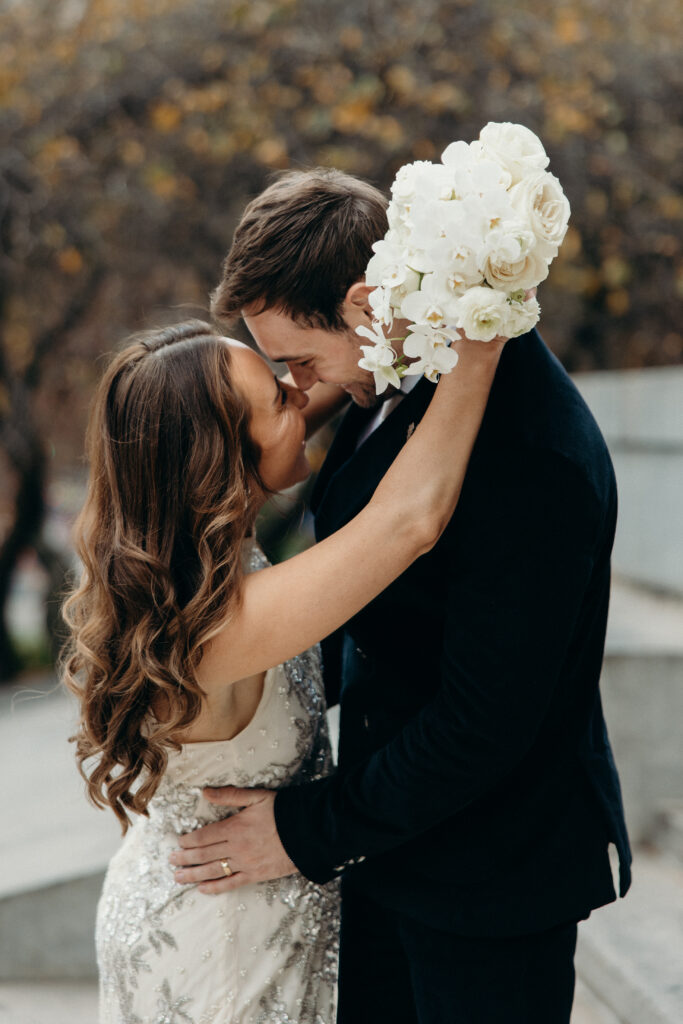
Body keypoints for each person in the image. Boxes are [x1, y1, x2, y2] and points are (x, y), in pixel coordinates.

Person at [174, 168, 633, 1024]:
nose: (298, 389)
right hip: (390, 849)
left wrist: (304, 831)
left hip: (487, 884)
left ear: (361, 304)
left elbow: (482, 724)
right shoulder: (399, 373)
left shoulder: (529, 455)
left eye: (297, 362)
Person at [62, 317, 506, 1023]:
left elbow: (307, 399)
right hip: (222, 951)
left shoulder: (186, 575)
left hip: (211, 902)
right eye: (278, 396)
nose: (302, 394)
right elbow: (410, 520)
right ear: (217, 460)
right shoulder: (215, 628)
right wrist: (483, 331)